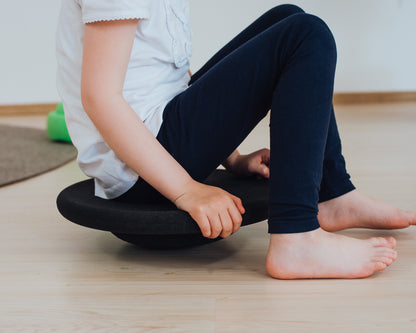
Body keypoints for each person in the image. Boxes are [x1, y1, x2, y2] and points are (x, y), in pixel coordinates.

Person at [56, 0, 416, 279]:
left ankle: (335, 194)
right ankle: (296, 238)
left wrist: (232, 158)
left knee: (287, 17)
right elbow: (100, 98)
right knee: (305, 35)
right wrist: (186, 189)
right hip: (138, 170)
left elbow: (170, 80)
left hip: (156, 136)